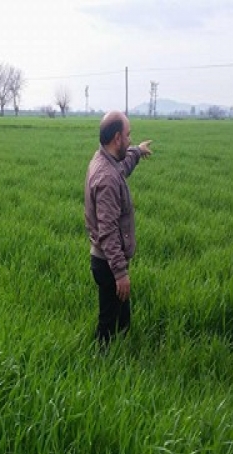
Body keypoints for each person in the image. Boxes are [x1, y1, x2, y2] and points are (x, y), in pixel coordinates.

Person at [84, 111, 153, 346]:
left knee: (122, 321)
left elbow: (122, 165)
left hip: (108, 261)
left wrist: (138, 151)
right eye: (128, 135)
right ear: (117, 138)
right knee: (108, 326)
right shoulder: (107, 178)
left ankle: (124, 351)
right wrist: (120, 273)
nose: (130, 139)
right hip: (108, 263)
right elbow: (108, 231)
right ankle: (101, 358)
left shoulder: (104, 160)